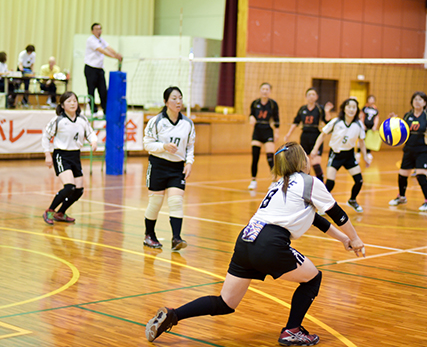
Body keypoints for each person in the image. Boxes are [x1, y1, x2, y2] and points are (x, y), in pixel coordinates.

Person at [144, 142, 365, 346]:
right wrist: (355, 238)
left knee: (225, 303)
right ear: (301, 160)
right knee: (313, 278)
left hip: (246, 239)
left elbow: (316, 219)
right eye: (306, 155)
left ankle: (173, 314)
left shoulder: (279, 184)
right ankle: (292, 330)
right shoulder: (310, 182)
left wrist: (344, 239)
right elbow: (337, 213)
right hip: (270, 241)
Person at [142, 86, 195, 251]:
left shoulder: (187, 123)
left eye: (180, 98)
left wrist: (189, 162)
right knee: (155, 202)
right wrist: (163, 146)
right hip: (158, 165)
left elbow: (190, 146)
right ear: (166, 102)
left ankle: (176, 238)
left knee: (176, 201)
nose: (178, 101)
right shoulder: (156, 121)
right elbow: (147, 144)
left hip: (177, 168)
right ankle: (149, 235)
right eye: (174, 98)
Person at [42, 92, 98, 225]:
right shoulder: (58, 120)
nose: (72, 104)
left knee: (78, 190)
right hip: (61, 155)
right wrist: (47, 154)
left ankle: (60, 213)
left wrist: (93, 141)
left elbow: (90, 133)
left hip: (75, 156)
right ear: (62, 105)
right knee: (69, 187)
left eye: (74, 101)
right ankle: (49, 211)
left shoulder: (82, 120)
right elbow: (46, 137)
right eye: (69, 101)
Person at [310, 97, 369, 213]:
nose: (351, 109)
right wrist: (315, 149)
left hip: (349, 155)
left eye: (354, 107)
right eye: (349, 107)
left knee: (359, 180)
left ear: (357, 110)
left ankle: (352, 200)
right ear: (344, 109)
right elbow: (323, 135)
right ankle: (322, 205)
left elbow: (362, 142)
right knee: (330, 183)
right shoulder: (336, 121)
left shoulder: (359, 124)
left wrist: (365, 157)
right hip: (335, 154)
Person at [389, 91, 427, 212]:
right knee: (402, 175)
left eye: (420, 99)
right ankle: (401, 197)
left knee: (421, 176)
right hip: (409, 149)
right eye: (415, 99)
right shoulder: (407, 116)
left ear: (425, 103)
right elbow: (401, 132)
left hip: (422, 150)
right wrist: (394, 122)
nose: (417, 102)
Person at [283, 87, 332, 182]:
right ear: (306, 97)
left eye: (313, 94)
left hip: (316, 137)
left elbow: (328, 122)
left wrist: (327, 112)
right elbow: (296, 122)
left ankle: (321, 185)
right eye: (309, 94)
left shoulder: (320, 109)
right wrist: (288, 134)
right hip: (305, 137)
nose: (311, 96)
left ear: (317, 97)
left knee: (315, 163)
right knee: (305, 165)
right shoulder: (302, 109)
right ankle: (306, 185)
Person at [84, 23, 123, 118]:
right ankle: (93, 110)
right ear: (92, 31)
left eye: (100, 29)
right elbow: (102, 50)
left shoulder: (101, 40)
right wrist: (115, 57)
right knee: (91, 90)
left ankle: (106, 111)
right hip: (91, 68)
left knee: (103, 91)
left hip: (100, 69)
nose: (99, 31)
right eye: (96, 29)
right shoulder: (91, 40)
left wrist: (117, 54)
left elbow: (108, 48)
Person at [248, 83, 280, 190]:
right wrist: (251, 117)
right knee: (255, 157)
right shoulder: (255, 103)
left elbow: (276, 119)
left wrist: (277, 132)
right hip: (257, 132)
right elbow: (251, 115)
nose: (265, 91)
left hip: (268, 132)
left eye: (267, 89)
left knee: (270, 158)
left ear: (270, 91)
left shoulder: (273, 104)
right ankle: (253, 181)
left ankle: (274, 181)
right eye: (263, 89)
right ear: (260, 90)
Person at [358, 95, 379, 160]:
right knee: (361, 139)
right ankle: (358, 152)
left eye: (372, 99)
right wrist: (362, 125)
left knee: (369, 140)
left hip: (371, 127)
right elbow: (361, 116)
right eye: (370, 99)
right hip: (364, 126)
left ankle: (368, 152)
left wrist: (375, 126)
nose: (371, 100)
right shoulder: (364, 108)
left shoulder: (375, 109)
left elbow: (376, 118)